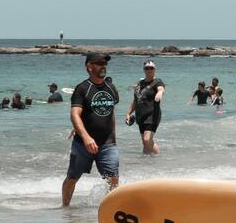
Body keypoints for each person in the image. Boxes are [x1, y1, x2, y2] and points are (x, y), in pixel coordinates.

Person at [62, 53, 120, 206]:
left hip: (107, 144)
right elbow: (75, 114)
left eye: (105, 63)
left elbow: (111, 112)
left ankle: (110, 208)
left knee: (113, 178)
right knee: (72, 178)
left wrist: (113, 136)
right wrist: (86, 137)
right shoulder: (82, 88)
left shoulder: (111, 87)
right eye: (99, 63)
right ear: (89, 67)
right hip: (82, 144)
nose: (103, 66)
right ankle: (65, 209)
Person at [126, 60, 165, 155]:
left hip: (152, 115)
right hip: (140, 116)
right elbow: (136, 100)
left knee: (147, 139)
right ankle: (146, 161)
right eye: (147, 68)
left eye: (151, 68)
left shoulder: (157, 81)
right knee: (144, 142)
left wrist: (160, 93)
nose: (149, 70)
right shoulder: (139, 84)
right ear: (144, 70)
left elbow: (161, 89)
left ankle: (159, 158)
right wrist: (128, 113)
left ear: (155, 69)